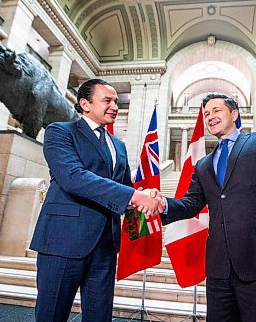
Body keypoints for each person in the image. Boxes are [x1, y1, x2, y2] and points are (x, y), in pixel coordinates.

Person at [30, 78, 163, 322]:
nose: (114, 106)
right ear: (85, 103)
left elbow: (125, 189)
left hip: (105, 246)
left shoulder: (119, 146)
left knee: (100, 317)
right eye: (107, 100)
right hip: (63, 242)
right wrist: (134, 195)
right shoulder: (60, 132)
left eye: (116, 101)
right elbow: (73, 178)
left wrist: (149, 196)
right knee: (52, 315)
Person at [161, 93, 256, 322]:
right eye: (206, 114)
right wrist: (162, 204)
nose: (210, 117)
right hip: (218, 270)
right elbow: (191, 203)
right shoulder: (203, 165)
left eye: (217, 110)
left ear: (234, 114)